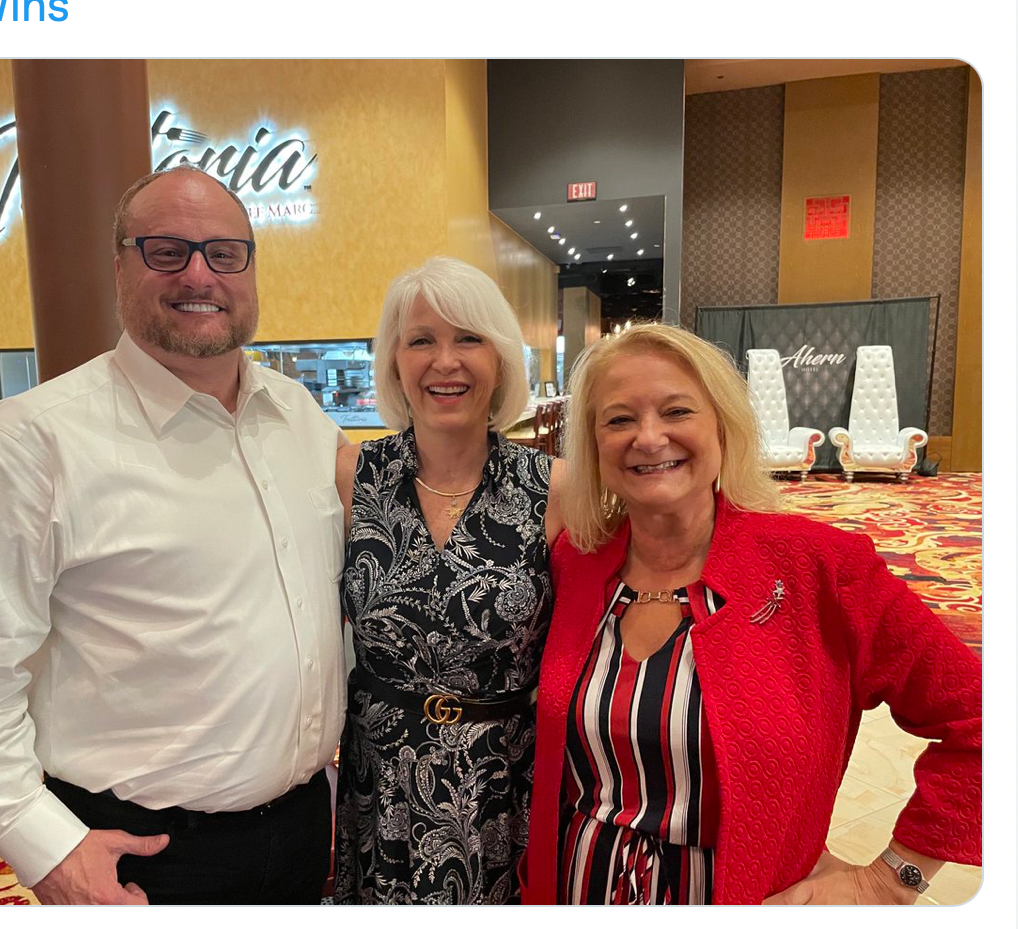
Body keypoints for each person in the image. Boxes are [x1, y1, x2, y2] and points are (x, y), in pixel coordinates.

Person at [0, 168, 346, 905]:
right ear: (119, 266)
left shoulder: (300, 419)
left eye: (224, 252)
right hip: (142, 858)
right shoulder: (31, 444)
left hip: (302, 829)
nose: (200, 273)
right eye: (166, 250)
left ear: (251, 268)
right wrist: (49, 850)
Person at [522, 323, 981, 906]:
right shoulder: (576, 564)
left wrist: (889, 882)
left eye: (676, 410)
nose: (649, 436)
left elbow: (982, 721)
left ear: (723, 425)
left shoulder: (822, 568)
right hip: (574, 888)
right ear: (591, 444)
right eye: (618, 419)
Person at [332, 257, 565, 904]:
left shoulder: (554, 488)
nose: (446, 361)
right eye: (421, 340)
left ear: (501, 359)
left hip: (501, 786)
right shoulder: (354, 475)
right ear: (394, 362)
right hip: (379, 781)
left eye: (468, 337)